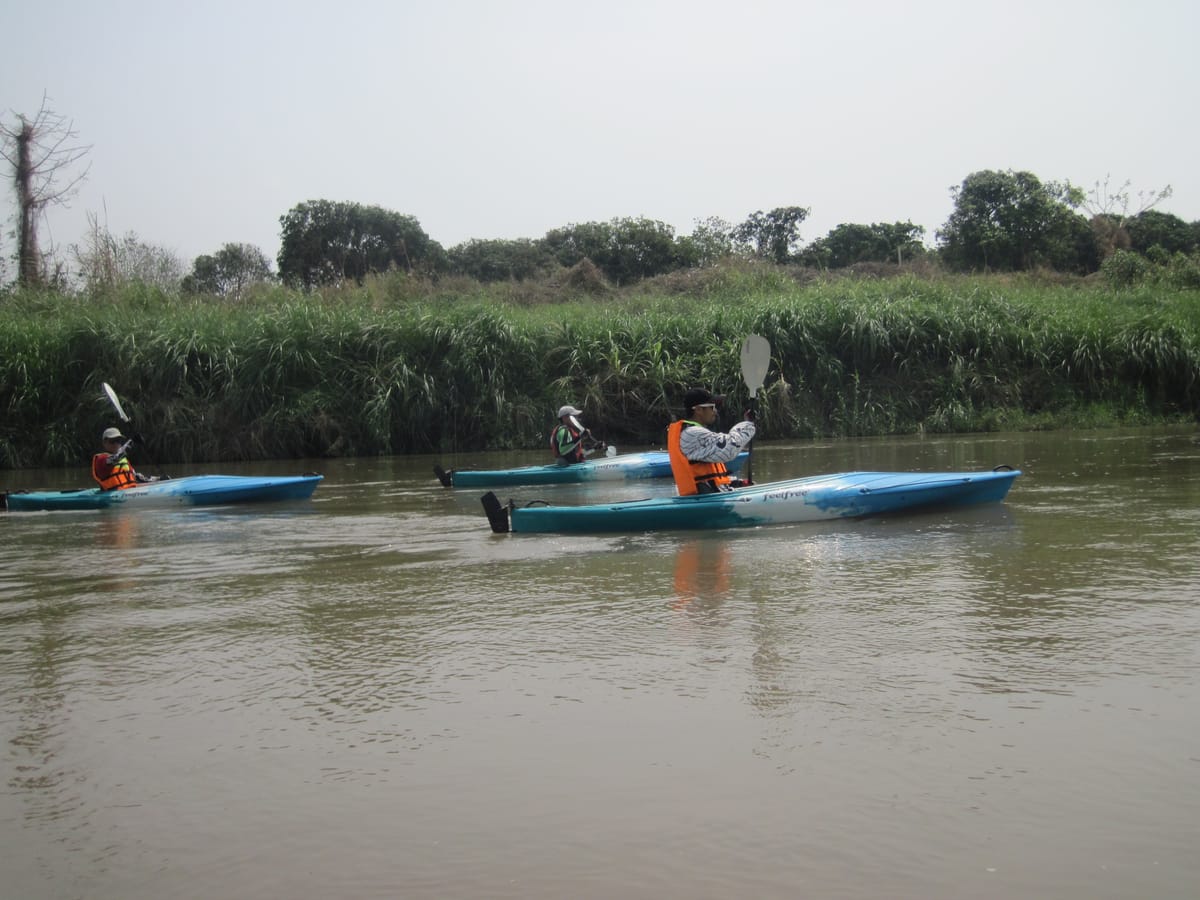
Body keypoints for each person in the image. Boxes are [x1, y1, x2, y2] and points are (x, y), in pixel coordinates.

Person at [666, 388, 756, 495]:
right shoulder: (692, 433)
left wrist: (735, 483)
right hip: (701, 500)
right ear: (698, 410)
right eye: (712, 407)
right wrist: (748, 425)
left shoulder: (692, 431)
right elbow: (730, 448)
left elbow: (710, 478)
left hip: (708, 495)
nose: (715, 411)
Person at [91, 427, 158, 490]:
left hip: (129, 491)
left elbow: (137, 477)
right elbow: (114, 459)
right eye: (112, 441)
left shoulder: (123, 460)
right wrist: (132, 442)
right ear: (104, 443)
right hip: (114, 494)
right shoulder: (101, 459)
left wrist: (158, 479)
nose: (116, 444)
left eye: (118, 440)